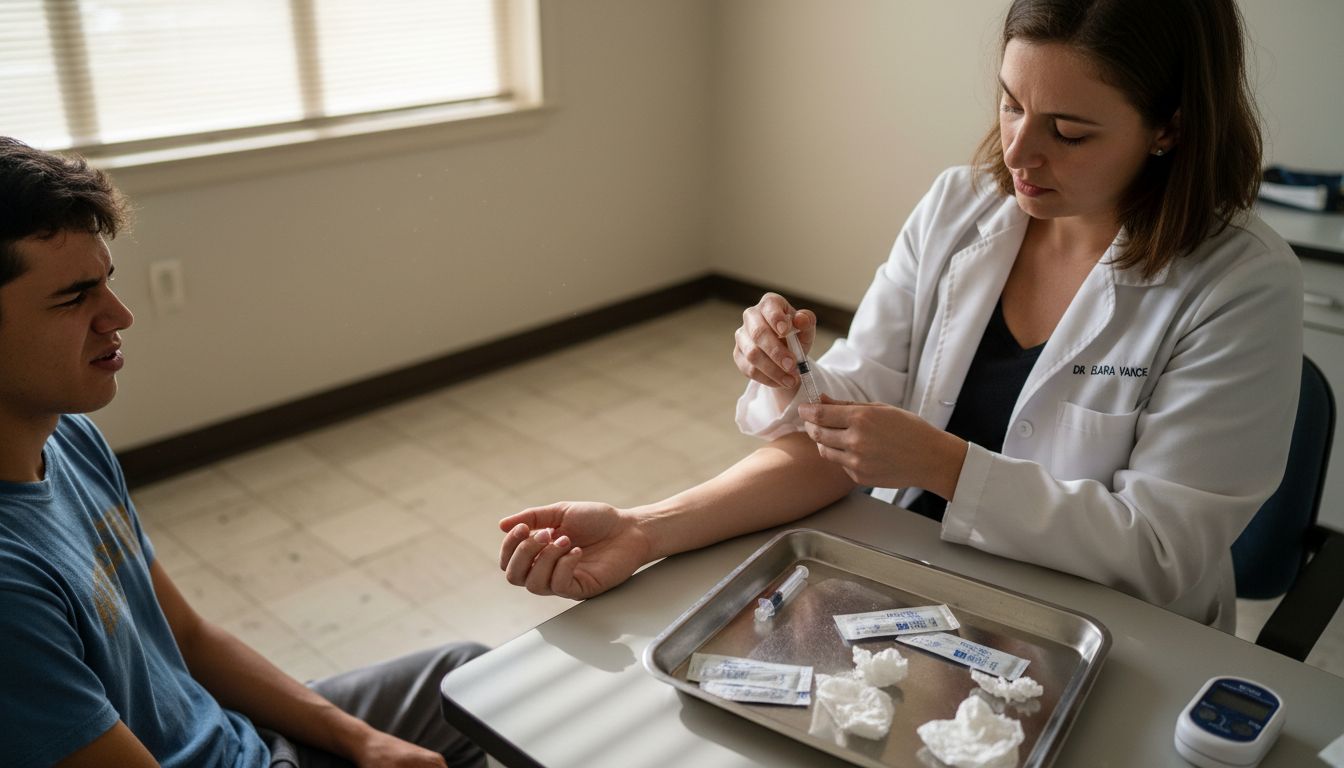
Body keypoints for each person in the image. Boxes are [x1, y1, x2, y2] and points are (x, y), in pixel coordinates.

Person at [498, 0, 1301, 631]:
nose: (1020, 152)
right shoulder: (960, 208)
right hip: (917, 577)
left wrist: (947, 467)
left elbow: (1158, 552)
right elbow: (842, 437)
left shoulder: (1240, 284)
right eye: (1011, 105)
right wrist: (648, 525)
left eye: (1069, 132)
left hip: (1111, 629)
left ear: (1170, 128)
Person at [0, 135, 486, 768]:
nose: (119, 316)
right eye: (74, 297)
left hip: (239, 736)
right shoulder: (8, 589)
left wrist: (364, 741)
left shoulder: (68, 436)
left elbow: (189, 637)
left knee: (469, 683)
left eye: (107, 283)